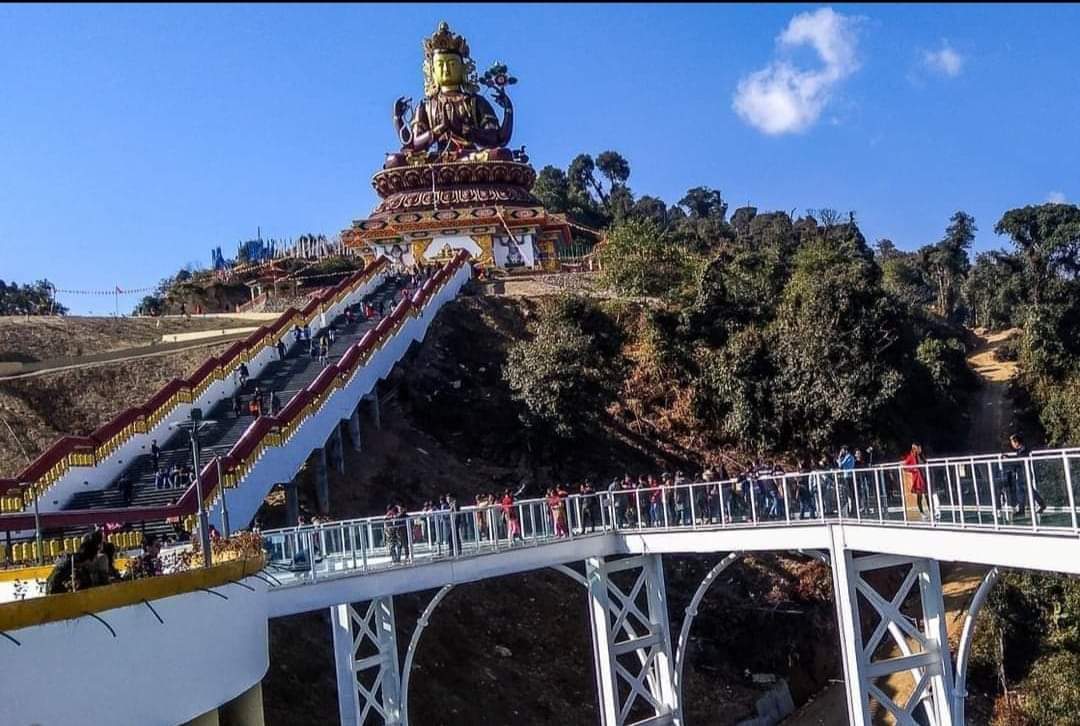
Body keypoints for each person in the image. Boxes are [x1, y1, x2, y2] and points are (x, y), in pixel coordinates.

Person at [1006, 433, 1045, 516]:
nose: (1012, 445)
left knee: (1028, 490)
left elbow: (1019, 461)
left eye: (1012, 442)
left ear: (1016, 442)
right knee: (1022, 491)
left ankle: (1041, 504)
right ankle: (1022, 509)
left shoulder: (1023, 450)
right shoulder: (1020, 450)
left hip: (1025, 474)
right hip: (1022, 474)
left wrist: (1009, 460)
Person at [902, 443, 930, 519]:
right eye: (919, 448)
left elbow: (925, 462)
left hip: (924, 478)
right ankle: (922, 512)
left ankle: (931, 511)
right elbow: (904, 467)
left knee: (927, 496)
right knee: (920, 496)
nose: (920, 449)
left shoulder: (921, 455)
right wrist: (913, 469)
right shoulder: (911, 457)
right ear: (915, 449)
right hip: (918, 480)